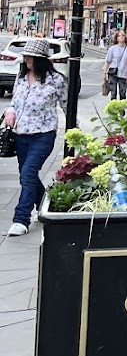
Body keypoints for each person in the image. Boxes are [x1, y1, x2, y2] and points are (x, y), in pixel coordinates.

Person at [5, 38, 67, 237]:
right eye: (25, 56)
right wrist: (10, 112)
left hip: (43, 134)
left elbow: (67, 106)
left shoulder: (56, 80)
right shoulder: (22, 78)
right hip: (20, 135)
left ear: (41, 59)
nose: (26, 60)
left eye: (31, 57)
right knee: (28, 176)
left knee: (28, 174)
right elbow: (15, 101)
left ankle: (21, 219)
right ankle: (48, 208)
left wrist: (75, 132)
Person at [103, 30, 127, 100]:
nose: (121, 37)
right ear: (116, 38)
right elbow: (108, 61)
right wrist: (104, 73)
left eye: (123, 35)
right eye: (119, 36)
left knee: (122, 93)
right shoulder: (112, 49)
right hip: (113, 73)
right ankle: (113, 109)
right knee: (113, 93)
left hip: (123, 73)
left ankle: (121, 110)